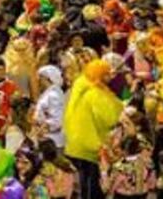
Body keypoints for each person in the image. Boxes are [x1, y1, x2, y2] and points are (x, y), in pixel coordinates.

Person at [63, 59, 123, 199]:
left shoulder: (81, 83)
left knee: (82, 182)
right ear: (100, 75)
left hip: (75, 143)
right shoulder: (94, 93)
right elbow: (110, 118)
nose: (110, 77)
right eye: (106, 74)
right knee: (94, 185)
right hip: (92, 146)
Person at [33, 65, 65, 148]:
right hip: (47, 139)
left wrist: (42, 128)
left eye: (40, 78)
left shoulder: (54, 95)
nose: (38, 80)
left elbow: (58, 120)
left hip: (54, 142)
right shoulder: (48, 93)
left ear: (48, 79)